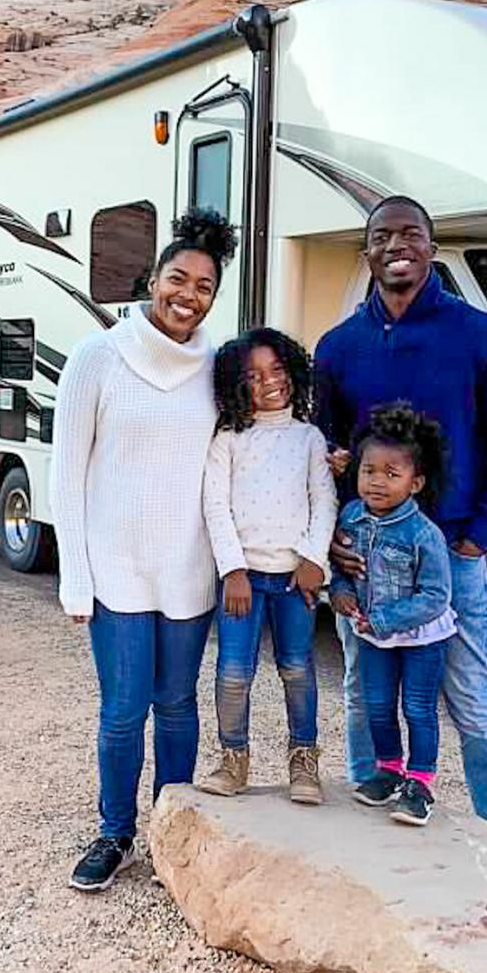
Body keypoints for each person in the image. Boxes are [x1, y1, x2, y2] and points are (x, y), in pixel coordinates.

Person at [315, 195, 487, 835]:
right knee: (366, 693)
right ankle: (371, 808)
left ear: (432, 249)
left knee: (470, 701)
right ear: (367, 254)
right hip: (366, 560)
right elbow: (324, 454)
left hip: (453, 558)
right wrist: (333, 540)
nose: (396, 246)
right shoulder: (339, 348)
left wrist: (480, 534)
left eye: (410, 234)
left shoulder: (481, 336)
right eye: (382, 237)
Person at [51, 208, 238, 892]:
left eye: (205, 286)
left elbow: (241, 455)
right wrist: (76, 578)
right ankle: (115, 833)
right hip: (117, 570)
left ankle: (172, 831)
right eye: (178, 278)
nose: (188, 295)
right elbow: (66, 473)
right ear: (152, 278)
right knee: (124, 710)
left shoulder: (219, 368)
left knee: (179, 706)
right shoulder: (97, 357)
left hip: (188, 569)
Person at [196, 328, 337, 805]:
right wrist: (232, 570)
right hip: (244, 581)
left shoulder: (309, 438)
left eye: (277, 370)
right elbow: (214, 505)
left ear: (293, 373)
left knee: (297, 668)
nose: (269, 382)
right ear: (238, 385)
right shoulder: (229, 439)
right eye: (254, 376)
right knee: (234, 672)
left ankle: (304, 761)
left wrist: (315, 560)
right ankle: (233, 759)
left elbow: (325, 501)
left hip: (295, 580)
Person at [330, 404, 456, 827]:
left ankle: (419, 783)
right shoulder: (351, 517)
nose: (377, 481)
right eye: (369, 470)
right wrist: (342, 594)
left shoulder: (424, 535)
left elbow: (436, 596)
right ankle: (389, 771)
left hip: (420, 638)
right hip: (371, 636)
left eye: (391, 473)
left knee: (418, 708)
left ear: (415, 482)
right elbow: (342, 569)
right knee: (378, 706)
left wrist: (383, 619)